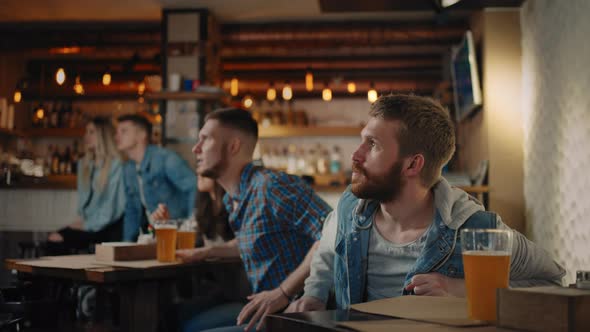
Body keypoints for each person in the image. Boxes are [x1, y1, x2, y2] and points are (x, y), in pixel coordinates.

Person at [287, 94, 566, 312]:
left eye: (372, 145)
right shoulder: (349, 207)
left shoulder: (477, 228)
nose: (356, 155)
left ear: (412, 164)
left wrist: (460, 289)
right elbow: (325, 253)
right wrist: (314, 293)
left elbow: (552, 283)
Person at [176, 108, 332, 331]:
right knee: (178, 318)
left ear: (233, 146)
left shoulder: (272, 186)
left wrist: (283, 292)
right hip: (269, 309)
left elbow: (332, 234)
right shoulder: (236, 198)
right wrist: (208, 252)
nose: (195, 148)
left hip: (299, 313)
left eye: (205, 139)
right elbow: (253, 239)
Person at [46, 117, 126, 254]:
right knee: (53, 239)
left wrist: (85, 225)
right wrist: (80, 222)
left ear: (103, 135)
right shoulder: (84, 164)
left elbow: (111, 209)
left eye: (91, 132)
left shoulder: (116, 165)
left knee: (56, 240)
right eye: (86, 132)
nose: (86, 136)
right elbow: (83, 201)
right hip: (89, 223)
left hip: (109, 226)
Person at [115, 114, 196, 242]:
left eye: (124, 131)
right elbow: (132, 212)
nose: (117, 136)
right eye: (117, 132)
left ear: (142, 135)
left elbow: (194, 188)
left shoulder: (165, 158)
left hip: (179, 236)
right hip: (155, 236)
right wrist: (126, 245)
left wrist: (192, 229)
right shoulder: (128, 169)